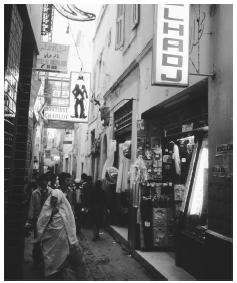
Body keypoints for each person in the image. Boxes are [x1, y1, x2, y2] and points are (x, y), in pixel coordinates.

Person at [36, 189, 78, 279]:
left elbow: (70, 223)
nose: (54, 200)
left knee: (62, 257)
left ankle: (59, 273)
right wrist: (51, 214)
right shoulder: (48, 208)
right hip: (49, 239)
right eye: (52, 198)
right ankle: (49, 273)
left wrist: (72, 238)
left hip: (62, 241)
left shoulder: (65, 208)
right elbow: (41, 222)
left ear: (59, 198)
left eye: (56, 198)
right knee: (49, 258)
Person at [25, 173, 53, 268]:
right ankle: (36, 262)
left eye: (45, 180)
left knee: (48, 241)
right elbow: (31, 207)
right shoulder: (35, 193)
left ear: (47, 181)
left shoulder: (52, 192)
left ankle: (46, 262)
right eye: (41, 180)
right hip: (38, 220)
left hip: (49, 220)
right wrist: (29, 220)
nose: (43, 182)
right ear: (39, 182)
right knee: (37, 241)